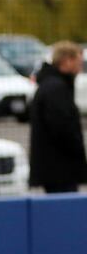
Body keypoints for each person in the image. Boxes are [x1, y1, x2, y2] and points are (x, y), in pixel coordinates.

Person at [29, 41, 87, 194]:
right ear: (67, 60)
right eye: (78, 61)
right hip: (59, 169)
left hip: (57, 168)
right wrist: (77, 148)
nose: (80, 66)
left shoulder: (53, 85)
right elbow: (62, 127)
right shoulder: (56, 89)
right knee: (64, 210)